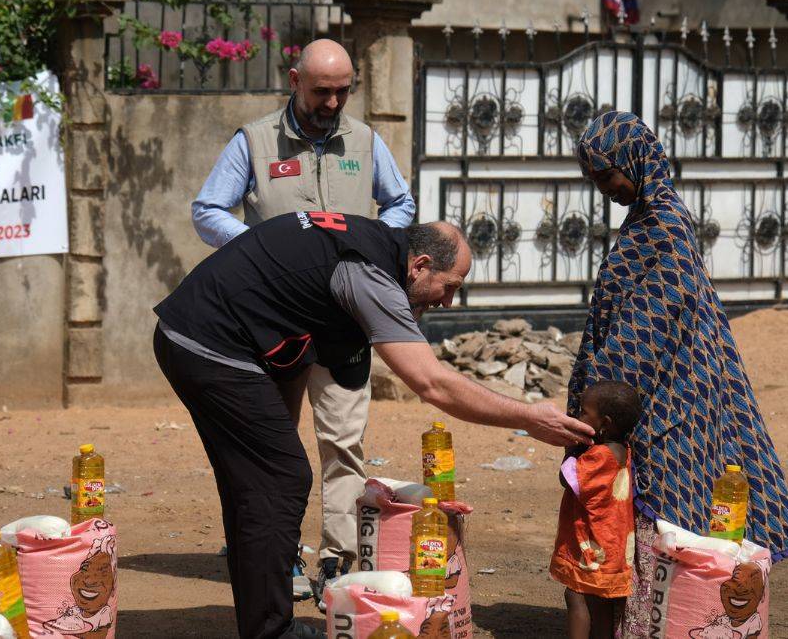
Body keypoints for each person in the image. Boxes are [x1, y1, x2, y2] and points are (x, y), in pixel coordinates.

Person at [153, 213, 594, 639]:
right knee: (281, 479)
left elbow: (295, 360)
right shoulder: (370, 275)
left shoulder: (363, 258)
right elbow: (433, 384)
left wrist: (277, 443)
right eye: (449, 287)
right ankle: (271, 630)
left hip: (204, 336)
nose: (447, 302)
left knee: (261, 484)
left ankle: (265, 623)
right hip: (210, 343)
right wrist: (529, 416)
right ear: (420, 266)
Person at [190, 37, 415, 598]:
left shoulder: (364, 140)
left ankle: (337, 562)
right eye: (322, 91)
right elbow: (208, 209)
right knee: (274, 442)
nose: (334, 103)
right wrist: (257, 251)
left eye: (343, 91)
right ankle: (281, 555)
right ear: (295, 81)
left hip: (343, 317)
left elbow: (401, 204)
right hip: (272, 319)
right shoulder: (254, 140)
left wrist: (373, 245)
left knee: (344, 441)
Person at [568, 111, 788, 636]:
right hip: (648, 392)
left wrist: (604, 396)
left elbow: (652, 320)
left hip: (671, 394)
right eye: (596, 181)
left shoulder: (665, 225)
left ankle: (669, 620)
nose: (606, 190)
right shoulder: (643, 221)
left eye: (609, 177)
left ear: (635, 161)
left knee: (669, 504)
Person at [550, 380, 640, 639]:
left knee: (575, 594)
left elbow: (567, 479)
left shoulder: (599, 456)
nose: (579, 416)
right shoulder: (621, 449)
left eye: (584, 413)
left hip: (594, 544)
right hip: (612, 543)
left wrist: (571, 447)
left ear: (605, 423)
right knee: (600, 603)